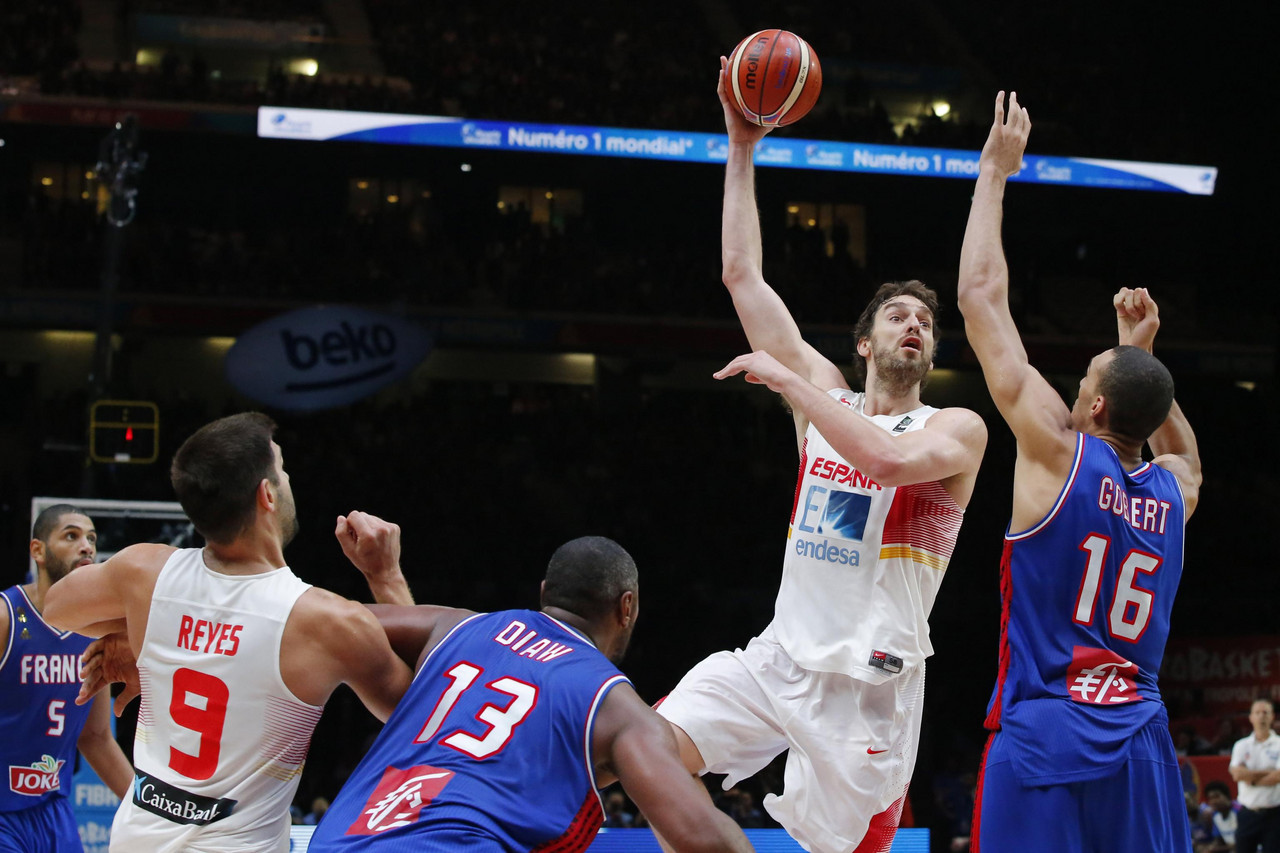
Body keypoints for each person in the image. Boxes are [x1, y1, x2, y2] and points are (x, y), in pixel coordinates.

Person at [652, 58, 989, 853]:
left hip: (871, 689)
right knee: (648, 751)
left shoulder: (956, 428)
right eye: (899, 316)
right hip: (777, 659)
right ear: (865, 341)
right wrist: (741, 146)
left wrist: (792, 388)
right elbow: (742, 275)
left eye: (926, 324)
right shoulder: (827, 397)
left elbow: (886, 462)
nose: (915, 326)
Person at [957, 91, 1203, 852]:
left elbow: (979, 299)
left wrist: (994, 173)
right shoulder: (1176, 492)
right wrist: (1139, 358)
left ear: (1093, 408)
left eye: (1087, 378)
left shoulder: (1058, 449)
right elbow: (1184, 451)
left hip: (1048, 730)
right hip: (1142, 741)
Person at [44, 413, 414, 852]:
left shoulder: (142, 572)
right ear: (267, 495)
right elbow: (423, 713)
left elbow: (56, 608)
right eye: (282, 468)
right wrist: (386, 576)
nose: (288, 477)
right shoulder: (325, 620)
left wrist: (148, 643)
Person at [307, 514, 754, 852]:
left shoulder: (455, 629)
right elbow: (704, 840)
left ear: (545, 592)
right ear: (627, 608)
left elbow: (322, 622)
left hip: (342, 839)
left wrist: (383, 576)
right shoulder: (616, 706)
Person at [0, 504, 133, 852]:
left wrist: (145, 808)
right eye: (71, 536)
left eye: (91, 538)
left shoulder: (94, 630)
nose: (87, 546)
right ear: (38, 551)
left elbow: (96, 738)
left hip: (53, 810)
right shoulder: (6, 619)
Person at [1230, 698, 1280, 851]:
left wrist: (1250, 778)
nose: (1261, 716)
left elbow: (1278, 777)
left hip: (1274, 813)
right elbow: (1237, 775)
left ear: (1272, 716)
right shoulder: (1241, 745)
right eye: (1257, 712)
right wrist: (1268, 772)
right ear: (1251, 717)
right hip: (1248, 812)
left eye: (1265, 712)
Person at [1199, 779, 1240, 852]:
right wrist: (1208, 848)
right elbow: (1218, 840)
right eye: (1210, 798)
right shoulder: (1216, 816)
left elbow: (1242, 843)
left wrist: (1214, 850)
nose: (1213, 801)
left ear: (1227, 796)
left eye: (1216, 796)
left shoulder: (1239, 810)